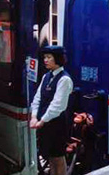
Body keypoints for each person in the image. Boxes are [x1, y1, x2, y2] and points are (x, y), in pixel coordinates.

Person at [30, 46, 73, 175]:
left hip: (57, 124)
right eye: (45, 57)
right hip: (45, 123)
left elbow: (57, 105)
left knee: (58, 157)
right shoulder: (46, 77)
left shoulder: (65, 79)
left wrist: (41, 121)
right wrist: (33, 116)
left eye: (49, 57)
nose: (45, 60)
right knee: (50, 156)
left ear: (58, 59)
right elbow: (38, 98)